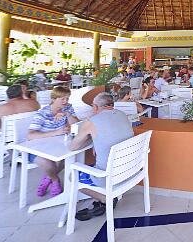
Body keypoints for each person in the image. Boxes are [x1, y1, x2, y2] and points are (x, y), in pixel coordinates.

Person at [69, 92, 134, 220]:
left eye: (93, 106)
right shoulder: (122, 115)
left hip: (108, 176)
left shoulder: (92, 122)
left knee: (73, 176)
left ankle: (105, 198)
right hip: (129, 169)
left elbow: (73, 147)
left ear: (96, 107)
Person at [27, 86, 79, 197]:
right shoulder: (42, 113)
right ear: (53, 99)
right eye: (62, 99)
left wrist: (68, 115)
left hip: (57, 145)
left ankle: (48, 177)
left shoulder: (68, 108)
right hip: (38, 147)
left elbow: (76, 124)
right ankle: (55, 180)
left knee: (72, 156)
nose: (66, 102)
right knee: (48, 164)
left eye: (67, 98)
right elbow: (30, 135)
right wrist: (55, 132)